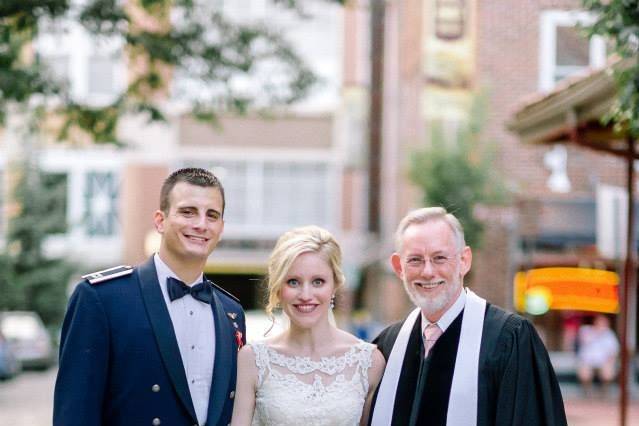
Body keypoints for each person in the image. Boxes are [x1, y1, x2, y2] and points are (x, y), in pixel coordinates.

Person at [53, 168, 246, 426]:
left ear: (221, 228)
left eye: (212, 215)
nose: (201, 224)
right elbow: (75, 414)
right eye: (187, 212)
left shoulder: (231, 312)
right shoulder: (101, 298)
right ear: (160, 221)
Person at [369, 207, 567, 426]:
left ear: (464, 260)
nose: (427, 272)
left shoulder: (510, 339)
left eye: (439, 258)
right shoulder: (389, 345)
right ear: (399, 267)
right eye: (415, 260)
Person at [231, 226, 386, 426]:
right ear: (278, 289)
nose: (305, 295)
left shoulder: (369, 362)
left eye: (318, 282)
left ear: (335, 285)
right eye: (293, 282)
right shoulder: (252, 360)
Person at [576, 313, 619, 397]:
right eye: (600, 322)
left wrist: (610, 362)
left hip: (603, 362)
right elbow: (581, 339)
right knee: (584, 373)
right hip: (587, 362)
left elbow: (614, 351)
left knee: (608, 372)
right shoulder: (585, 330)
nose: (601, 325)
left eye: (604, 323)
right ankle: (587, 393)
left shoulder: (609, 334)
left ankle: (604, 392)